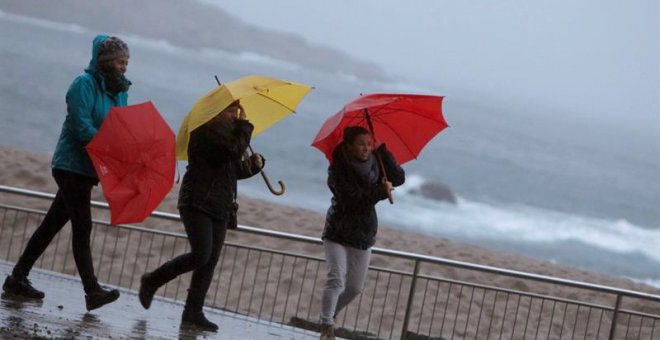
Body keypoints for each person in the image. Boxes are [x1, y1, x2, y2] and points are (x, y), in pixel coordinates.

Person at [2, 34, 131, 311]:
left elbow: (121, 127)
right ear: (106, 61)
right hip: (71, 164)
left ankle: (16, 278)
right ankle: (92, 291)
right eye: (121, 61)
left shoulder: (120, 91)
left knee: (51, 225)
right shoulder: (82, 84)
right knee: (82, 226)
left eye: (127, 62)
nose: (125, 67)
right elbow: (80, 125)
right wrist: (106, 146)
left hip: (91, 168)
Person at [138, 100, 265, 332]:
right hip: (197, 200)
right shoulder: (204, 133)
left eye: (235, 111)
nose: (234, 115)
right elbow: (228, 151)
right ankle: (153, 279)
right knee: (201, 254)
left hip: (220, 204)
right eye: (229, 111)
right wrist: (245, 128)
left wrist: (252, 167)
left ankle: (193, 311)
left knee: (210, 261)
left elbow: (230, 171)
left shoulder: (229, 135)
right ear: (214, 112)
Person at [318, 126, 405, 340]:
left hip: (363, 232)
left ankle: (330, 315)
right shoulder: (337, 168)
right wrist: (380, 192)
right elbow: (353, 199)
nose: (366, 148)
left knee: (355, 287)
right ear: (349, 146)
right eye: (361, 144)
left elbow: (399, 178)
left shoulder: (377, 162)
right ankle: (327, 325)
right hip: (337, 231)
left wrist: (383, 151)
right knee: (336, 279)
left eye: (369, 143)